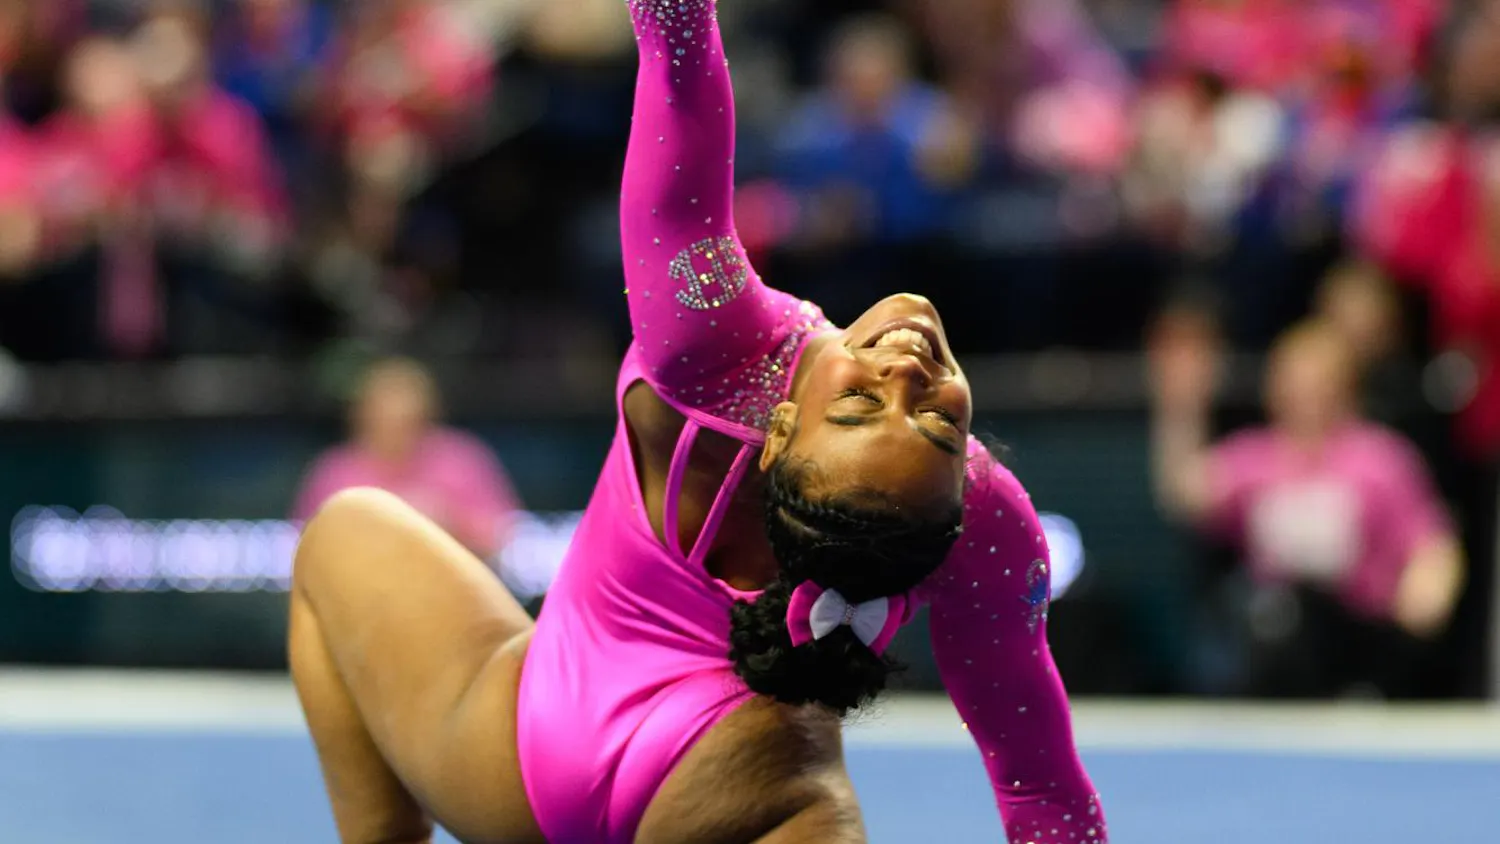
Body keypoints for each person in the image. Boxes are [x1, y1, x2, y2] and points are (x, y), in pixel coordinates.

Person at [289, 0, 1105, 841]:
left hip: (532, 767)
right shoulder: (989, 519)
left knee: (344, 534)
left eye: (867, 403)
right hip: (762, 799)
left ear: (784, 434)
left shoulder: (708, 346)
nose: (909, 372)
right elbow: (1039, 781)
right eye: (933, 421)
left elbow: (678, 64)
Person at [1149, 311, 1464, 698]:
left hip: (1359, 640)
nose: (1305, 396)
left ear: (1344, 388)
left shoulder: (1382, 458)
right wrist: (1182, 408)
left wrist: (1426, 589)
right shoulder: (1256, 457)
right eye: (1294, 384)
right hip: (1273, 640)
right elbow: (1186, 495)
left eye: (1318, 384)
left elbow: (1432, 542)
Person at [293, 356, 522, 562]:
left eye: (407, 423)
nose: (396, 434)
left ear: (428, 416)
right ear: (360, 417)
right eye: (383, 421)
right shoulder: (334, 471)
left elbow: (502, 535)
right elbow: (307, 550)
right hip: (361, 598)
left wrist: (449, 525)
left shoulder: (462, 459)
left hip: (450, 597)